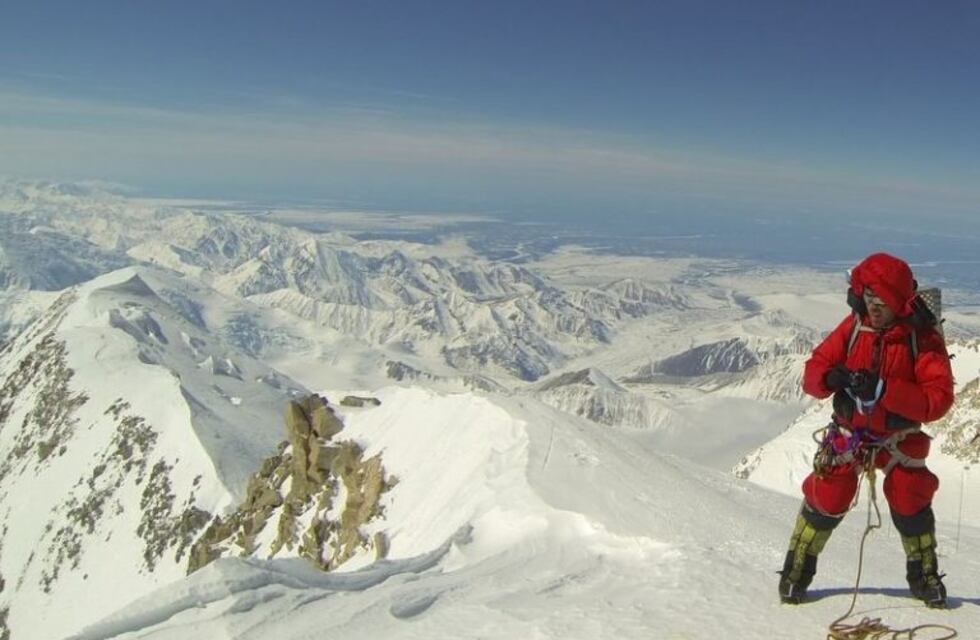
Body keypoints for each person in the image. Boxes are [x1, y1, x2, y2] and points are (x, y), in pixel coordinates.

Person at [778, 252, 955, 607]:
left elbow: (938, 399)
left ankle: (924, 576)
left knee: (910, 495)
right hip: (852, 431)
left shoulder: (922, 338)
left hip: (898, 437)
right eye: (870, 297)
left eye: (883, 300)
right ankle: (796, 570)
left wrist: (884, 390)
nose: (875, 306)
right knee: (829, 495)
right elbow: (814, 373)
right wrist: (831, 377)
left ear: (900, 302)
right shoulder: (854, 327)